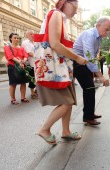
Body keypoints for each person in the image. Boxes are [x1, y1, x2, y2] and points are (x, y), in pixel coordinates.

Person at [37, 0, 87, 144]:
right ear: (64, 3)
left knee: (69, 101)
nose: (76, 11)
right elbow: (54, 44)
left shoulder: (60, 17)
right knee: (67, 102)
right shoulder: (57, 14)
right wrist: (77, 57)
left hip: (61, 66)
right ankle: (44, 129)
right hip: (56, 67)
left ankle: (66, 131)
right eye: (75, 7)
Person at [73, 16, 110, 125]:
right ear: (98, 25)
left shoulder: (98, 38)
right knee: (89, 88)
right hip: (78, 62)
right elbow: (89, 56)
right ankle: (88, 116)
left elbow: (93, 58)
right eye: (106, 29)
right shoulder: (90, 34)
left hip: (84, 63)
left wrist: (96, 72)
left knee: (90, 88)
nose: (107, 32)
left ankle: (89, 114)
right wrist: (100, 76)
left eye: (109, 30)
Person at [4, 33, 29, 105]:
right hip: (12, 67)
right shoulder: (7, 47)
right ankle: (13, 99)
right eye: (15, 38)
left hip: (22, 66)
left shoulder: (21, 48)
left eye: (18, 38)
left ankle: (23, 97)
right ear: (11, 39)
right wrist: (20, 61)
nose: (16, 39)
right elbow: (10, 56)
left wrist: (24, 60)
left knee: (23, 83)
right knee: (13, 83)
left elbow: (26, 55)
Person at [22, 30, 38, 99]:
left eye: (33, 34)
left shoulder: (35, 42)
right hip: (31, 63)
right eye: (30, 34)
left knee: (38, 78)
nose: (32, 35)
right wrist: (39, 55)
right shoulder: (25, 42)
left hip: (37, 63)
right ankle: (32, 93)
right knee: (32, 78)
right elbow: (29, 53)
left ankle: (37, 91)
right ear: (26, 35)